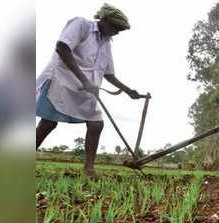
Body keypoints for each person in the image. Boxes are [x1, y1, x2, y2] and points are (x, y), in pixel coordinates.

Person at [36, 3, 143, 177]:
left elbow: (109, 75)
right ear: (105, 20)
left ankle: (89, 169)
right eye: (116, 28)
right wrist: (85, 80)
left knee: (96, 124)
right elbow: (62, 47)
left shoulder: (106, 43)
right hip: (61, 82)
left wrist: (129, 91)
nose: (118, 32)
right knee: (48, 123)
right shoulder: (82, 25)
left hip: (86, 91)